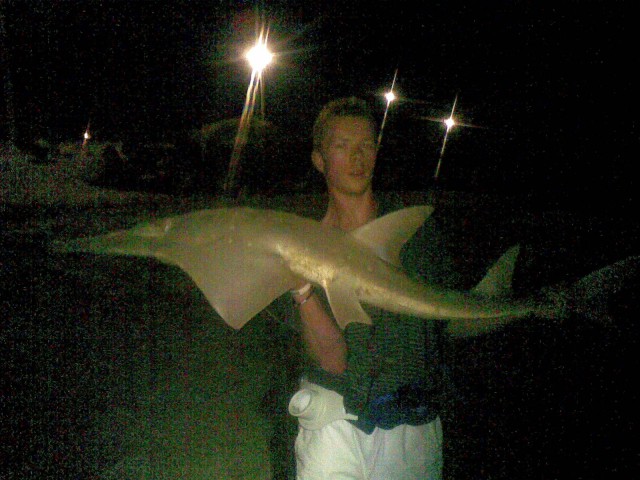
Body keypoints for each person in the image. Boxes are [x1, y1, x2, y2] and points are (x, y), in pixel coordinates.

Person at [288, 97, 447, 479]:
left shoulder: (414, 232)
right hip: (333, 422)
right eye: (341, 147)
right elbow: (335, 361)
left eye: (366, 145)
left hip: (413, 423)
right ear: (319, 160)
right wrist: (301, 290)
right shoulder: (303, 244)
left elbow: (444, 329)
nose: (357, 157)